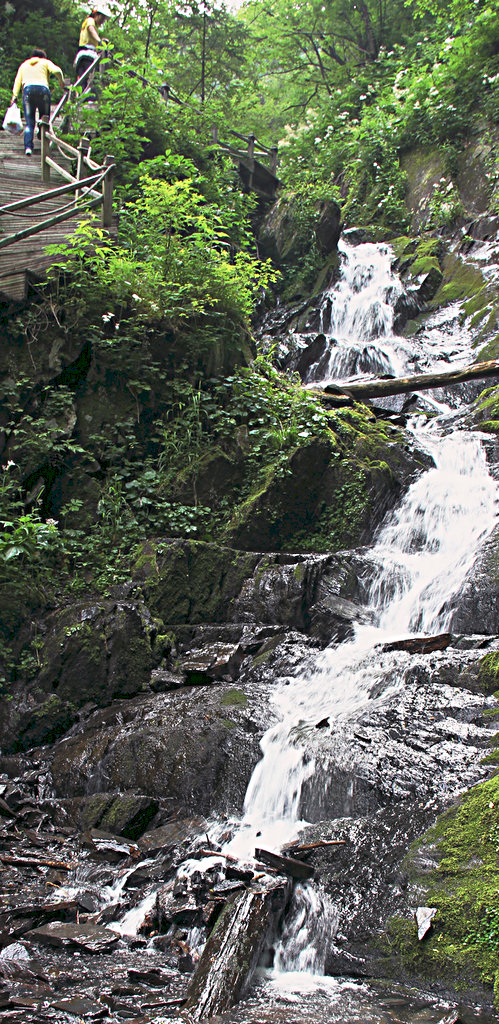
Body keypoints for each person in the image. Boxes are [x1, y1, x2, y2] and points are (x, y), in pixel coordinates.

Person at [10, 48, 66, 155]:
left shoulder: (24, 65)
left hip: (28, 91)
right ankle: (41, 132)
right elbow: (57, 71)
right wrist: (61, 82)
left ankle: (28, 147)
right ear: (42, 56)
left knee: (29, 122)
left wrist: (14, 96)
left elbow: (17, 81)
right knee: (44, 118)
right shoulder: (45, 62)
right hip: (43, 90)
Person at [74, 9, 107, 87]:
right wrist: (100, 41)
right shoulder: (90, 20)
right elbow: (91, 29)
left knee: (83, 82)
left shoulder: (94, 26)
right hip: (87, 54)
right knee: (90, 81)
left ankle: (83, 97)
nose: (102, 21)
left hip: (82, 55)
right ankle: (89, 98)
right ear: (96, 15)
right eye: (102, 18)